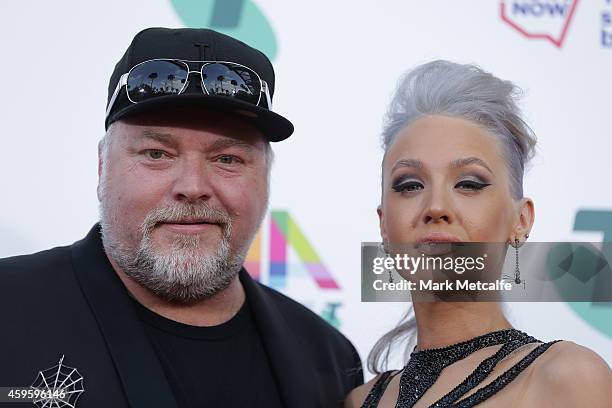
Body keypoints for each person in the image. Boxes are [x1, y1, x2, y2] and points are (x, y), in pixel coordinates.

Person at [0, 27, 362, 408]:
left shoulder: (331, 360)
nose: (192, 186)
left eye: (227, 159)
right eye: (156, 153)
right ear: (102, 166)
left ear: (266, 178)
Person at [346, 60, 612, 407]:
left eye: (469, 184)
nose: (436, 206)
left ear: (521, 220)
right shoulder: (358, 401)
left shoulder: (566, 379)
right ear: (383, 223)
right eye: (410, 185)